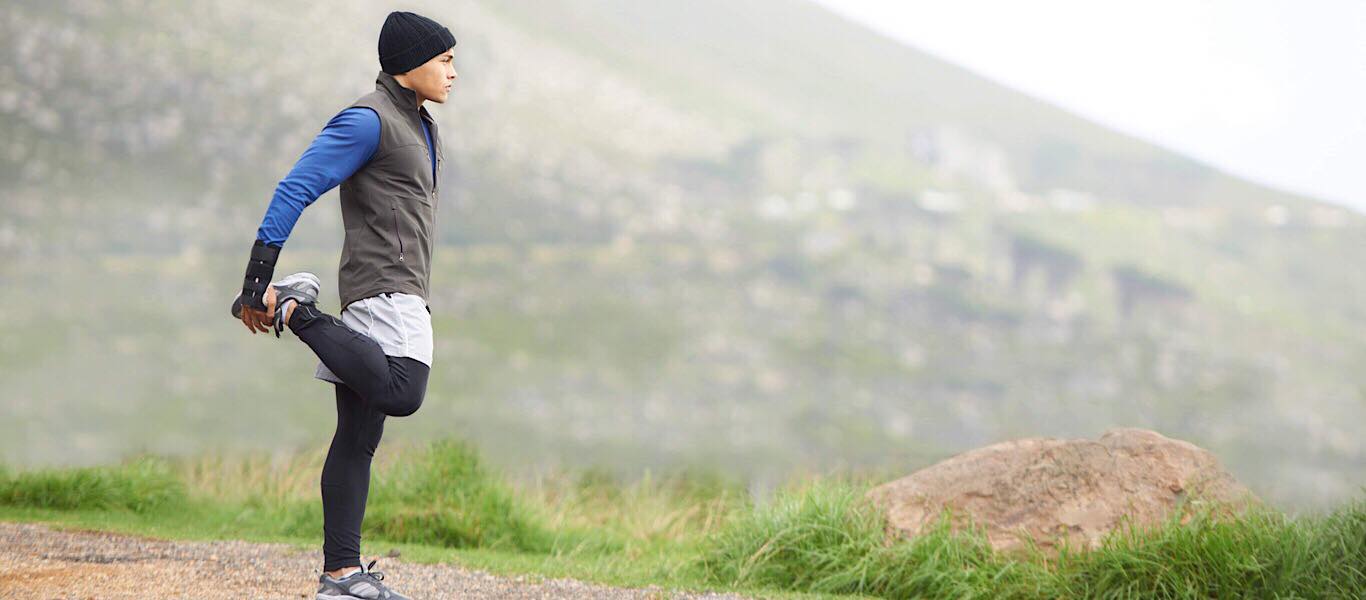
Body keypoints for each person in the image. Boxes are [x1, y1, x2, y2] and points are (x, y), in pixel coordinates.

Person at [230, 10, 457, 600]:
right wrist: (259, 282)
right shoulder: (368, 120)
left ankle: (340, 576)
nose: (454, 72)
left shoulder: (421, 125)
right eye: (445, 59)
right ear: (410, 66)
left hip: (395, 290)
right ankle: (294, 310)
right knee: (403, 391)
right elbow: (296, 186)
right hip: (384, 294)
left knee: (357, 437)